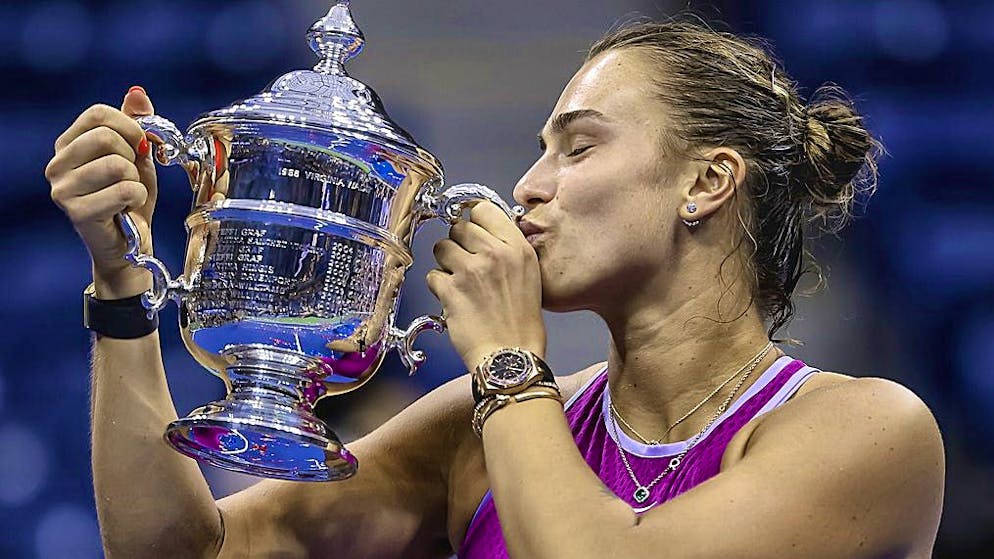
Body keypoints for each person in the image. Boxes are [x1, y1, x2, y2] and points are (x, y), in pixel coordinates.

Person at [46, 17, 944, 559]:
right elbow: (183, 550)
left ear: (706, 182)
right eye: (539, 148)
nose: (528, 187)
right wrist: (122, 285)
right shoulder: (477, 431)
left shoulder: (868, 432)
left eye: (578, 145)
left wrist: (511, 363)